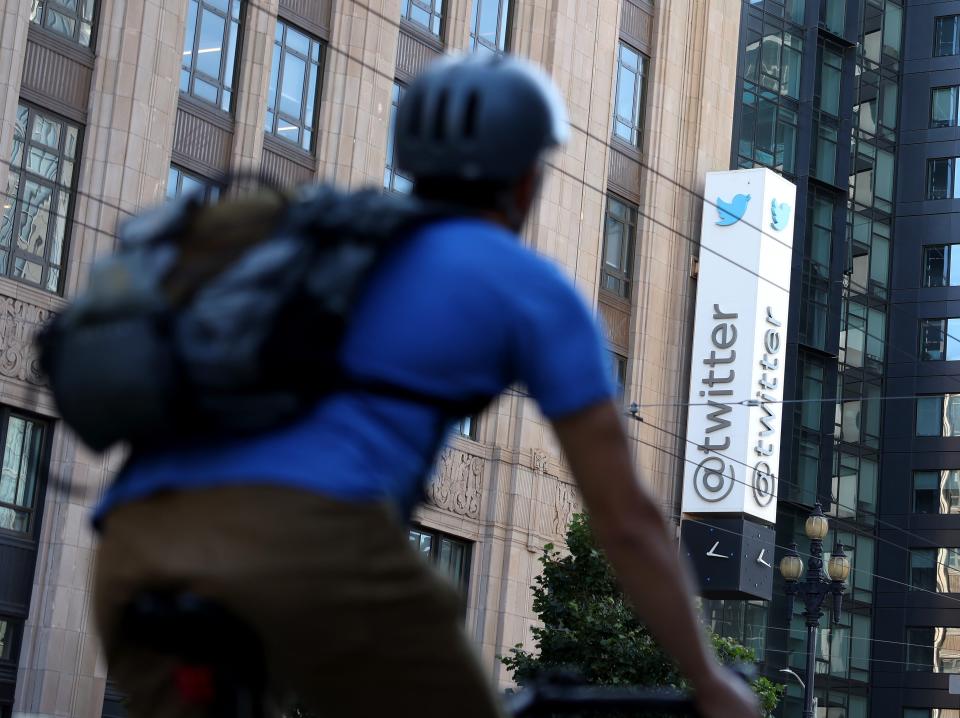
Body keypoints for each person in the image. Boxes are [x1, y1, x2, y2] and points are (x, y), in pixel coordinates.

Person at [92, 54, 760, 718]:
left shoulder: (312, 238)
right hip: (312, 542)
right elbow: (627, 521)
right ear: (527, 178)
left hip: (136, 548)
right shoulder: (528, 288)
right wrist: (708, 681)